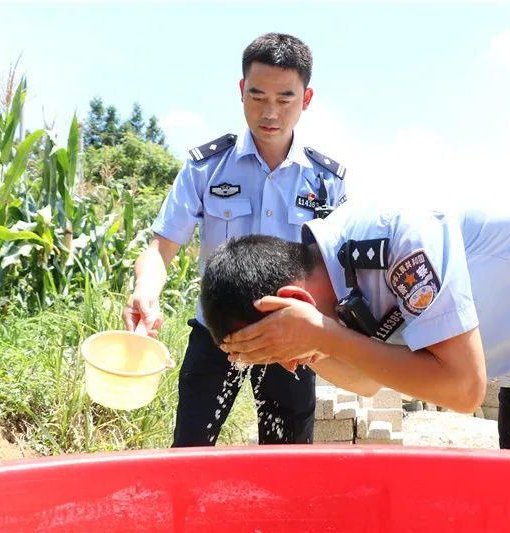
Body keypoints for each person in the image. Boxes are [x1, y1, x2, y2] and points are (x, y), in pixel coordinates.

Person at [202, 203, 510, 462]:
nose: (288, 363)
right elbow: (366, 380)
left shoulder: (396, 242)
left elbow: (464, 389)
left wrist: (322, 337)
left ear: (296, 303)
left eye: (274, 345)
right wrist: (320, 340)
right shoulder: (333, 288)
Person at [123, 33, 347, 447]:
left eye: (285, 99)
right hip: (216, 333)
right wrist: (145, 291)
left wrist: (328, 334)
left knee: (288, 466)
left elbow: (342, 273)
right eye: (258, 96)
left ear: (307, 98)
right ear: (242, 90)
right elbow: (161, 248)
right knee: (189, 454)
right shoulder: (206, 168)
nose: (270, 112)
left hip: (291, 341)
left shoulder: (325, 181)